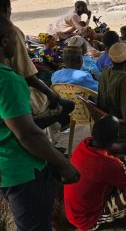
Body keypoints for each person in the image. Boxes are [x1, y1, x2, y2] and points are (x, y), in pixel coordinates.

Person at [0, 15, 80, 231]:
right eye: (16, 38)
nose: (19, 44)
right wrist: (63, 164)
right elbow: (28, 134)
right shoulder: (8, 80)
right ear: (4, 40)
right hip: (23, 170)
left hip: (5, 171)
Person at [0, 0, 75, 131]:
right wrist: (50, 94)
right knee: (66, 106)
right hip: (16, 103)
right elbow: (26, 73)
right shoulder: (11, 32)